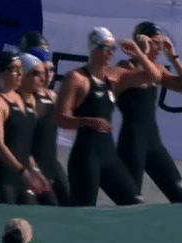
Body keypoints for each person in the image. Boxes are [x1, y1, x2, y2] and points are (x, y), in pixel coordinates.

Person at [54, 27, 161, 206]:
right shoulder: (76, 78)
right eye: (105, 48)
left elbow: (154, 77)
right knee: (83, 213)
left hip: (110, 157)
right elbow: (59, 118)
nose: (110, 53)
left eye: (113, 49)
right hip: (86, 157)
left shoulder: (114, 75)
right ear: (93, 48)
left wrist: (139, 53)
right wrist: (87, 121)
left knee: (135, 204)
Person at [115, 22, 182, 203]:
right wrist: (140, 52)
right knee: (131, 203)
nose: (160, 47)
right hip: (131, 144)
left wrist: (173, 55)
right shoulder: (124, 67)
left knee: (180, 195)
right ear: (140, 41)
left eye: (161, 43)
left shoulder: (158, 68)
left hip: (154, 143)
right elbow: (148, 75)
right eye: (155, 42)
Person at [0, 51, 50, 205]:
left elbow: (25, 146)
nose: (20, 73)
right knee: (4, 226)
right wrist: (23, 171)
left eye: (21, 69)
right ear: (1, 73)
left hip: (23, 179)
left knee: (30, 224)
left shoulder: (27, 101)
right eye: (14, 69)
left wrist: (35, 171)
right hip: (2, 180)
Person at [23, 48, 71, 206]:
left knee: (71, 206)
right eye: (44, 70)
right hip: (33, 166)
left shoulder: (53, 96)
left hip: (52, 164)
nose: (49, 74)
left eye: (51, 69)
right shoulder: (25, 100)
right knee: (49, 208)